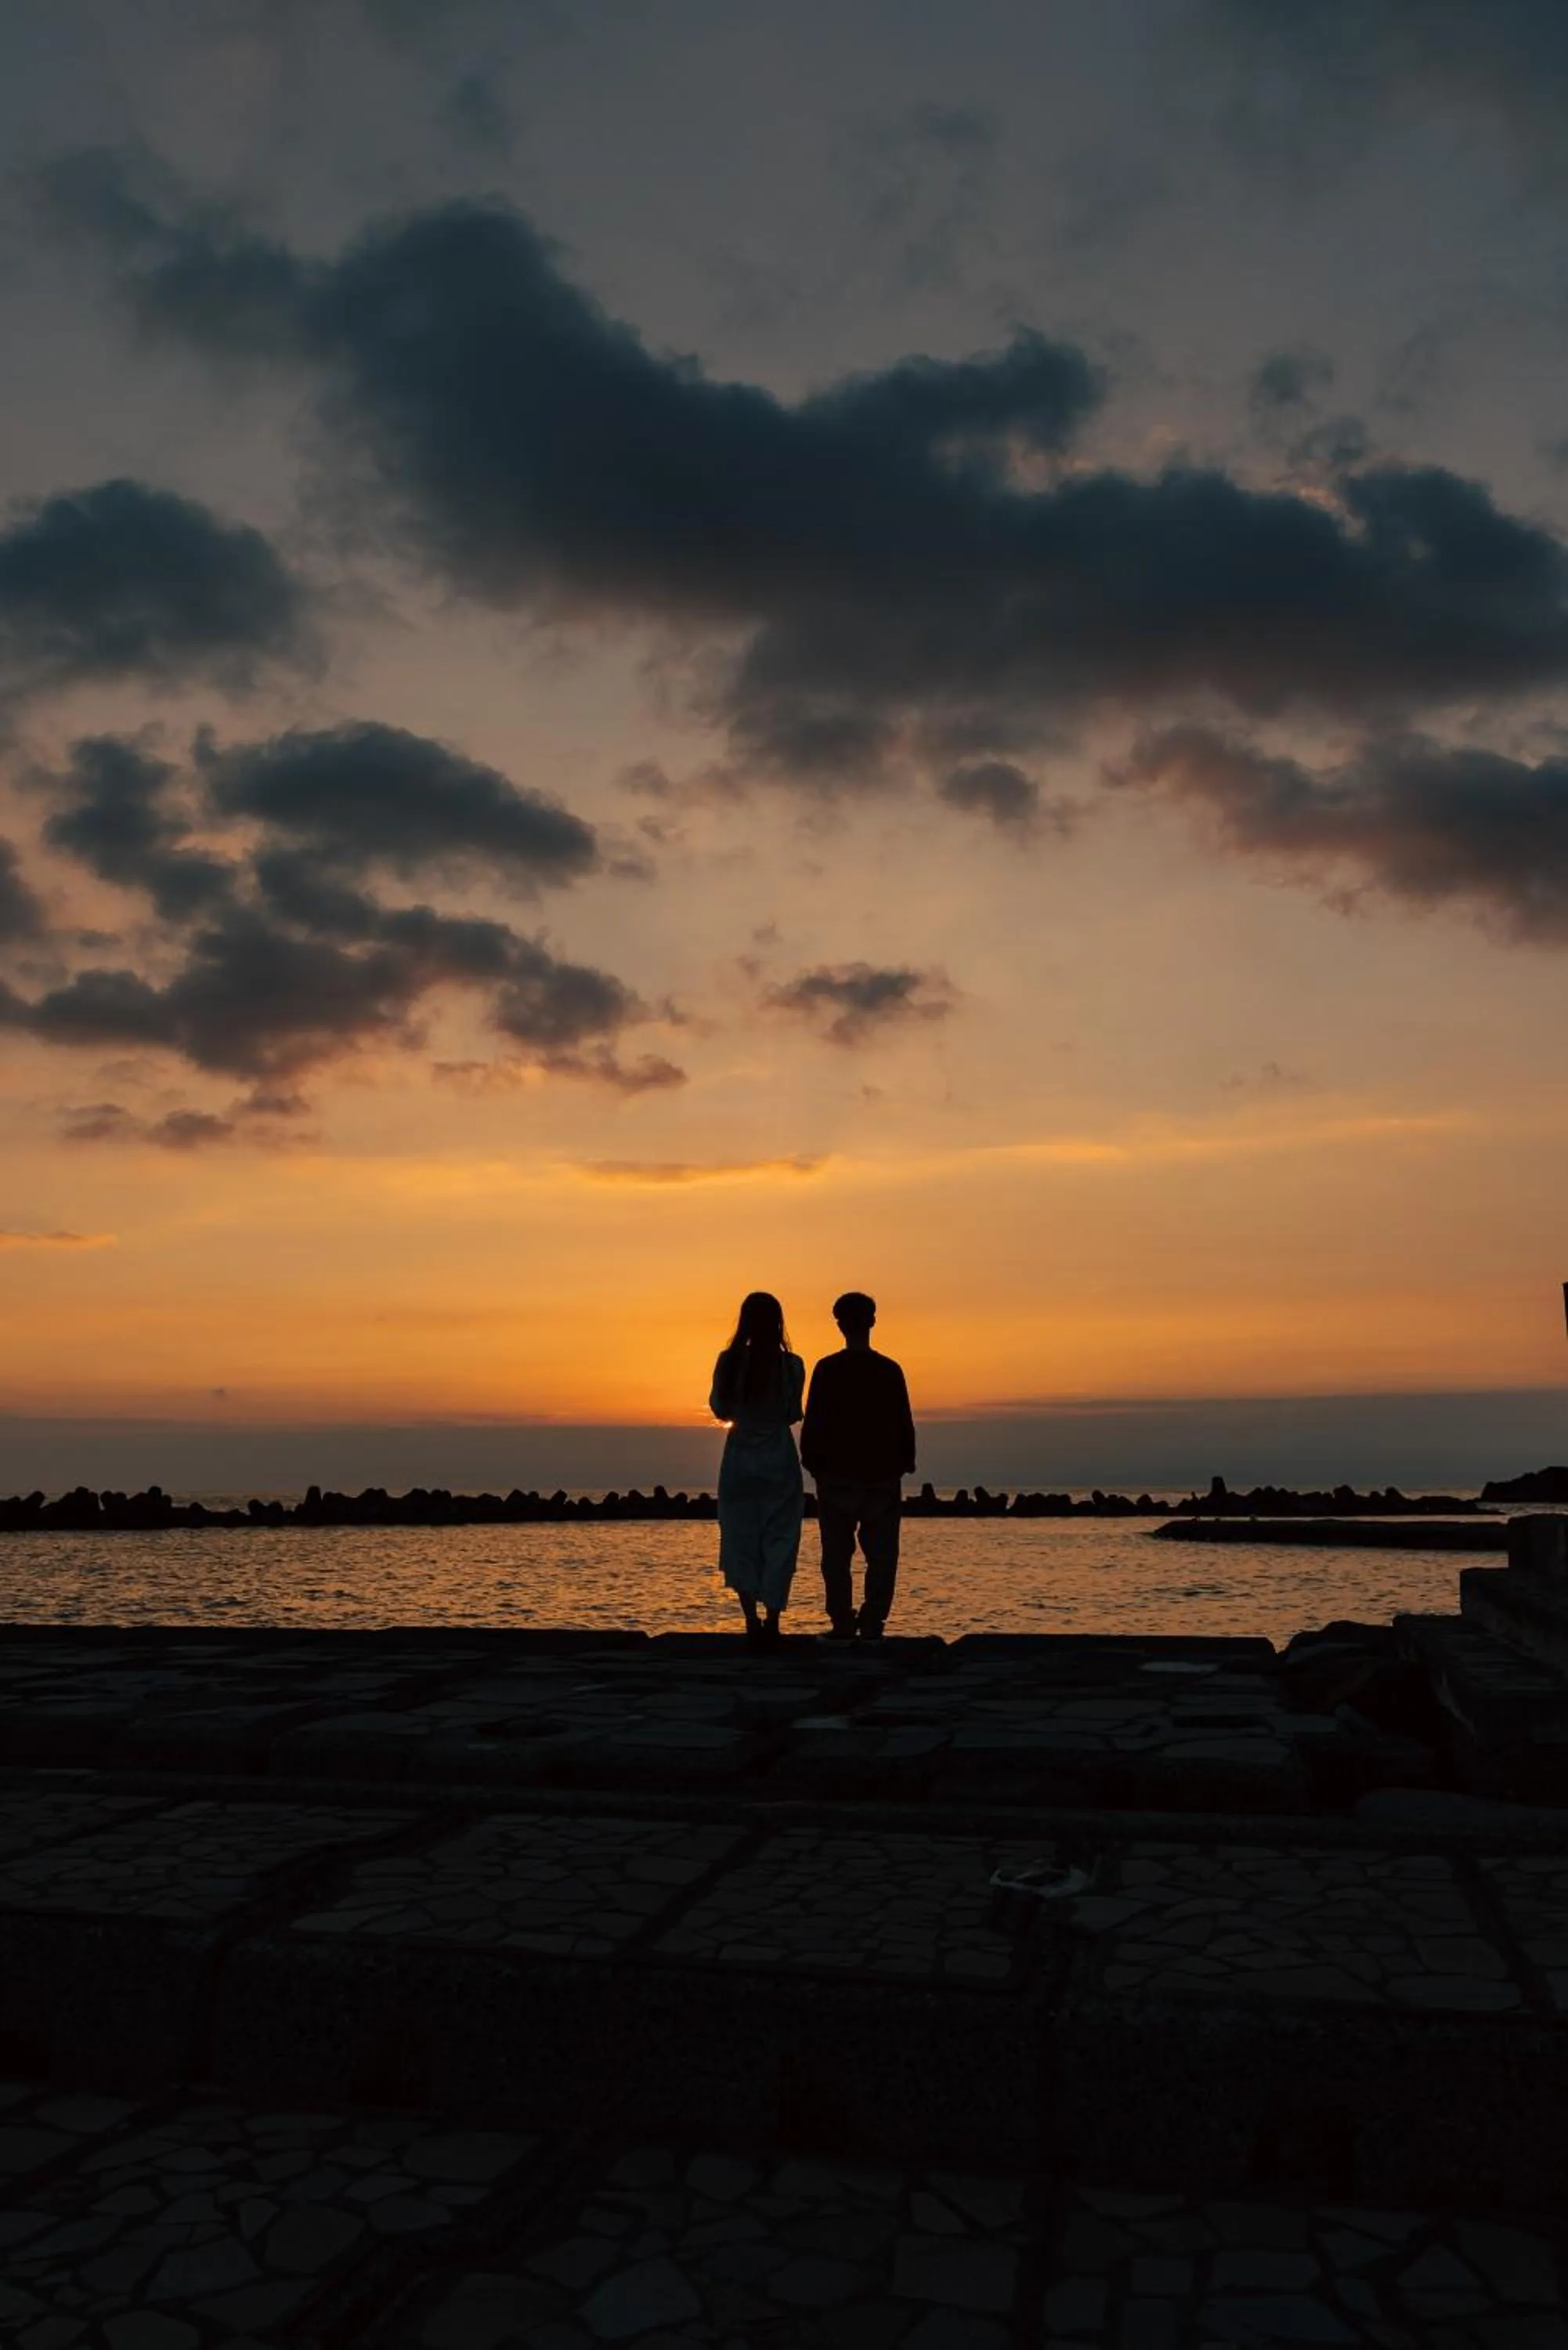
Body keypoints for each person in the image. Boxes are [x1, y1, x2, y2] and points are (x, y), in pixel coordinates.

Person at [800, 1291, 916, 1640]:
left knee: (836, 1555)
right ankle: (873, 1620)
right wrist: (903, 1464)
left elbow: (813, 1422)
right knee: (882, 1555)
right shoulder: (889, 1370)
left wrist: (814, 1464)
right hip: (880, 1475)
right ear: (873, 1322)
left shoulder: (827, 1369)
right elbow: (903, 1422)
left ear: (840, 1325)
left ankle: (842, 1621)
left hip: (836, 1475)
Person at [708, 1291, 804, 1647]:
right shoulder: (792, 1365)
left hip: (739, 1460)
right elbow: (794, 1412)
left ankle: (750, 1619)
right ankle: (774, 1620)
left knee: (739, 1536)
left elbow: (720, 1408)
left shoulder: (729, 1361)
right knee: (781, 1537)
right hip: (779, 1458)